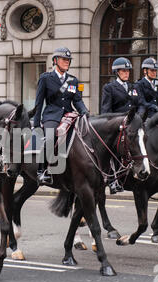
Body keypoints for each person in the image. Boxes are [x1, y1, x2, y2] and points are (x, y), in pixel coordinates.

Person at [33, 47, 89, 184]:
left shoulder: (73, 81)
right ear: (55, 60)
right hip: (51, 115)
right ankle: (43, 170)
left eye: (68, 60)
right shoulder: (46, 78)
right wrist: (36, 124)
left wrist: (84, 112)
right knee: (50, 138)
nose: (67, 62)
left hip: (69, 115)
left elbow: (77, 100)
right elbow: (39, 103)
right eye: (64, 59)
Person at [100, 57, 138, 194]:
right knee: (113, 151)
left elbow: (137, 106)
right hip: (117, 125)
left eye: (128, 71)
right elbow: (105, 110)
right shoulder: (109, 88)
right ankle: (113, 180)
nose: (126, 73)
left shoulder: (133, 87)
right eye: (123, 71)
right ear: (117, 72)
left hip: (132, 124)